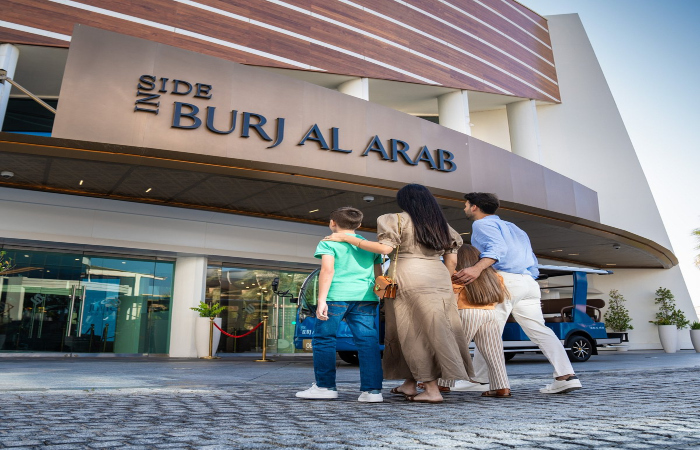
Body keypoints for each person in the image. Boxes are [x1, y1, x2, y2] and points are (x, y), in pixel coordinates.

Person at [325, 184, 470, 403]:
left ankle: (431, 389)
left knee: (411, 331)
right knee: (437, 329)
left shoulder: (394, 219)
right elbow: (452, 260)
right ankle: (410, 384)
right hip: (439, 278)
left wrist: (348, 238)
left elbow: (385, 249)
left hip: (408, 275)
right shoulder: (443, 226)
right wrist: (442, 283)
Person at [453, 192, 582, 394]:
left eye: (466, 205)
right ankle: (566, 375)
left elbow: (498, 248)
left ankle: (481, 380)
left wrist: (477, 268)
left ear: (475, 207)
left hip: (503, 280)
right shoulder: (516, 228)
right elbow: (531, 258)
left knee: (486, 330)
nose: (465, 209)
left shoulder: (481, 224)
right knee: (539, 330)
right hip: (528, 281)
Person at [295, 206, 384, 403]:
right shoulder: (368, 246)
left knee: (324, 339)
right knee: (368, 342)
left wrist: (321, 300)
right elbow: (378, 275)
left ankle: (325, 387)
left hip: (336, 297)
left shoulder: (328, 242)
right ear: (359, 225)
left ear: (332, 223)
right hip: (366, 298)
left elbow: (327, 271)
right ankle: (373, 391)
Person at [438, 244, 511, 398]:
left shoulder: (457, 275)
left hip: (465, 313)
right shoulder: (494, 276)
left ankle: (443, 384)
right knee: (494, 353)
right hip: (490, 313)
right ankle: (502, 387)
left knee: (453, 349)